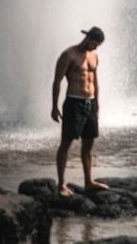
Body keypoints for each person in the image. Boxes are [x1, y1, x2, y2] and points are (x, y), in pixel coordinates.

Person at [51, 26, 109, 196]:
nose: (96, 48)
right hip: (73, 104)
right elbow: (57, 81)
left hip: (89, 104)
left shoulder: (94, 56)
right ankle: (61, 184)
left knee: (89, 145)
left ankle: (88, 181)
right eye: (95, 44)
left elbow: (95, 82)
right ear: (88, 39)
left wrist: (97, 104)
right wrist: (54, 107)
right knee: (66, 144)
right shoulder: (69, 54)